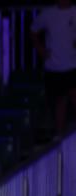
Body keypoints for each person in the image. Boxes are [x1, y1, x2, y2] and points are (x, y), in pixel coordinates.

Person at [31, 0, 76, 135]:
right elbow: (32, 30)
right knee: (59, 104)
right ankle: (60, 139)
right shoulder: (48, 13)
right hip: (54, 67)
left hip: (73, 65)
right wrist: (41, 50)